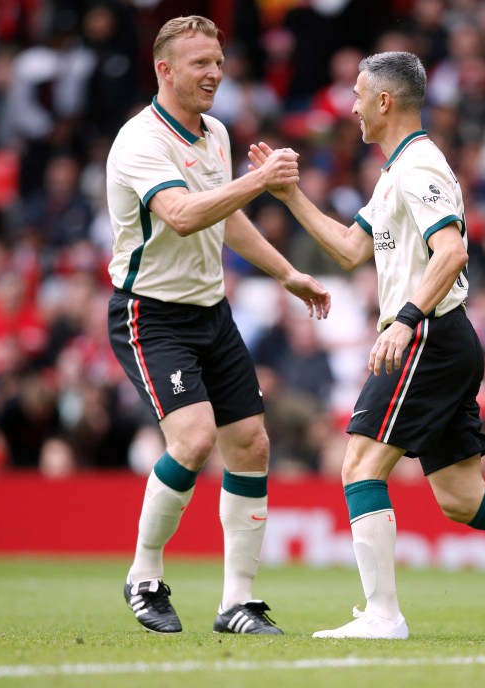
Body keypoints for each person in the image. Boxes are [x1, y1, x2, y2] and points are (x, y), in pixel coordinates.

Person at [249, 51, 485, 639]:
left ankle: (383, 616)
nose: (349, 106)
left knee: (358, 465)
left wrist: (404, 319)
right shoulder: (396, 170)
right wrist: (291, 197)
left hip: (427, 332)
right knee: (460, 497)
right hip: (442, 335)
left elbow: (451, 251)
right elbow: (352, 249)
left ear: (384, 101)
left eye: (356, 94)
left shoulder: (420, 167)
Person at [106, 15, 330, 636]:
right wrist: (259, 181)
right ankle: (144, 576)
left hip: (212, 311)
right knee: (194, 438)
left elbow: (224, 218)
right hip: (150, 313)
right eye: (199, 62)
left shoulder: (216, 134)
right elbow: (180, 215)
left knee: (252, 445)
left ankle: (237, 602)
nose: (214, 72)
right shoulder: (139, 141)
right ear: (165, 70)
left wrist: (286, 273)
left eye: (218, 59)